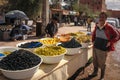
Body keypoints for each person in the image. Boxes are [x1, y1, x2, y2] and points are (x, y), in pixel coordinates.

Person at [89, 12, 119, 80]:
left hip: (103, 48)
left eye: (103, 17)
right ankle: (95, 72)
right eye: (100, 17)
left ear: (106, 18)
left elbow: (117, 35)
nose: (101, 18)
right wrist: (93, 40)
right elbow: (94, 34)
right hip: (96, 46)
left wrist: (110, 42)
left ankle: (102, 76)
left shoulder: (109, 27)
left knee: (102, 62)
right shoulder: (97, 25)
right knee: (95, 61)